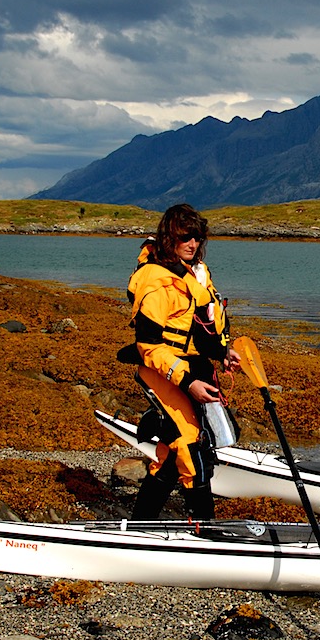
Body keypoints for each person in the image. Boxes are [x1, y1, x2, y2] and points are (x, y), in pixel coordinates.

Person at [124, 203, 241, 521]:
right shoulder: (155, 281)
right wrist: (187, 380)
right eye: (186, 238)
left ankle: (141, 523)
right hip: (162, 371)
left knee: (172, 452)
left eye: (197, 239)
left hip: (192, 368)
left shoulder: (190, 275)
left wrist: (222, 353)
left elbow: (198, 329)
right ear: (168, 238)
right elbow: (148, 345)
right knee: (191, 446)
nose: (193, 245)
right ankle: (205, 527)